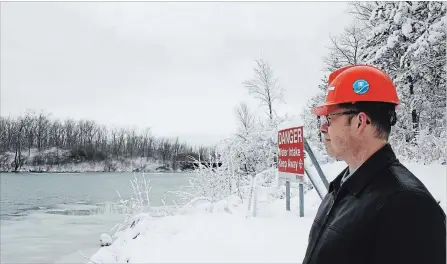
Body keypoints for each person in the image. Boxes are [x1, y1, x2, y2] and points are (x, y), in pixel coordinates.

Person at [302, 65, 446, 264]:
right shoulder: (342, 187)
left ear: (360, 122)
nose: (323, 128)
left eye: (330, 118)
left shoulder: (407, 205)